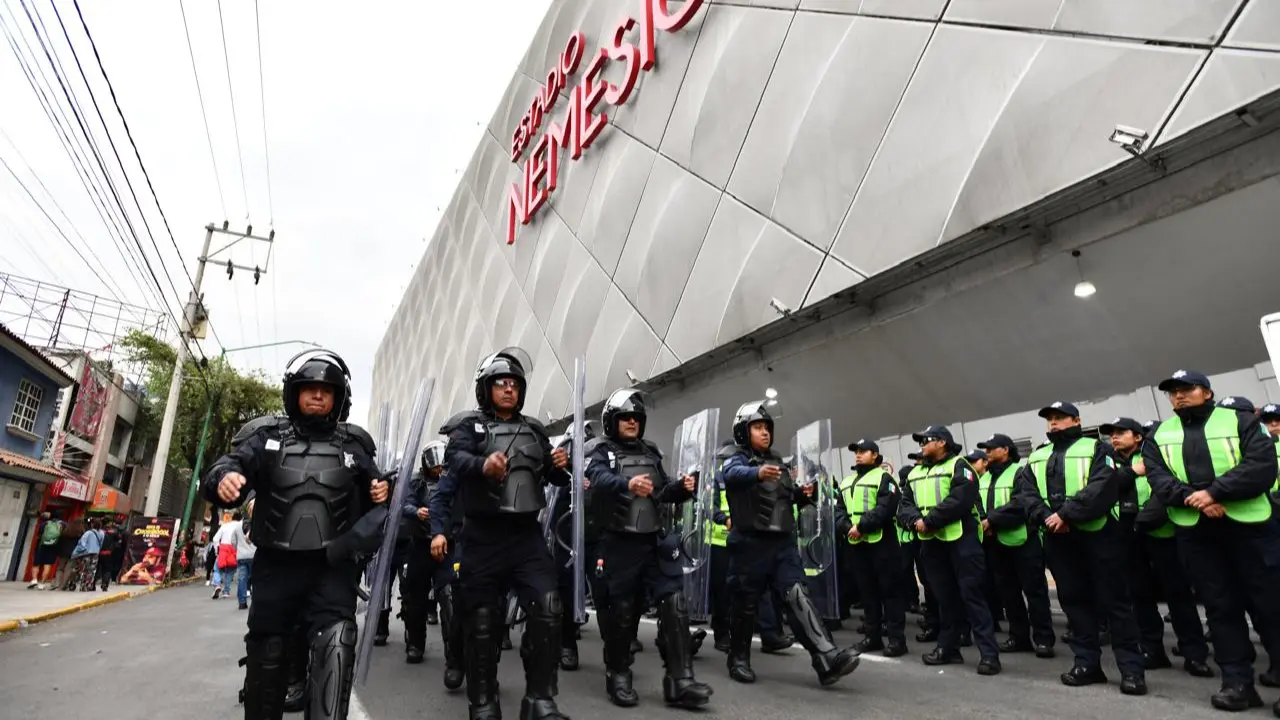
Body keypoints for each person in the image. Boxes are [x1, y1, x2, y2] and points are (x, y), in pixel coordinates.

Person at [202, 348, 388, 720]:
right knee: (268, 652)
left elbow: (380, 503)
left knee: (336, 646)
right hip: (276, 566)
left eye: (326, 390)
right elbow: (227, 465)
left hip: (333, 568)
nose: (318, 395)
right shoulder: (265, 438)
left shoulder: (356, 446)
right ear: (294, 393)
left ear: (339, 398)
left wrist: (381, 491)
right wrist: (224, 479)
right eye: (309, 388)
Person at [439, 347, 570, 720]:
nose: (509, 390)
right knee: (481, 620)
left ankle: (540, 701)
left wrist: (559, 464)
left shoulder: (534, 430)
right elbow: (455, 460)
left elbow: (552, 476)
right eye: (501, 384)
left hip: (526, 537)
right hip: (481, 536)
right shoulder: (469, 426)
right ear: (486, 389)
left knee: (548, 607)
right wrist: (484, 465)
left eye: (514, 384)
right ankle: (483, 702)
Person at [1143, 370, 1280, 712]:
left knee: (1271, 606)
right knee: (1220, 609)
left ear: (1206, 392)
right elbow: (1160, 481)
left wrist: (1215, 492)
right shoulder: (1159, 435)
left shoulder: (1242, 422)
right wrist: (1198, 499)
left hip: (1250, 528)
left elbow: (1262, 467)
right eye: (1173, 392)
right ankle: (1238, 684)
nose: (1179, 396)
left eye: (1187, 389)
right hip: (1197, 533)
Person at [584, 389, 713, 708]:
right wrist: (626, 484)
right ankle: (618, 676)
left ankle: (680, 680)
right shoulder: (601, 451)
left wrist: (681, 488)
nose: (631, 422)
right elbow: (597, 478)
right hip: (617, 543)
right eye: (625, 417)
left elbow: (663, 491)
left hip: (654, 541)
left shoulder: (651, 451)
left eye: (636, 418)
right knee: (622, 612)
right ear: (613, 421)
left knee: (674, 603)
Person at [720, 400, 859, 686]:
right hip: (749, 543)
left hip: (781, 544)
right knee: (745, 604)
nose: (765, 432)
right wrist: (755, 473)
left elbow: (785, 496)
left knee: (797, 595)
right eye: (757, 427)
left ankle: (826, 657)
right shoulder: (735, 457)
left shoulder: (776, 461)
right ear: (743, 431)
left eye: (767, 427)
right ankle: (738, 659)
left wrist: (803, 493)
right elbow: (731, 475)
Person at [1015, 401, 1145, 695]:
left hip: (1099, 535)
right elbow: (1025, 494)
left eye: (1060, 418)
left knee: (1116, 603)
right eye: (1050, 420)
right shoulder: (1037, 457)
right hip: (1059, 539)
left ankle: (1131, 670)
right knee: (1074, 602)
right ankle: (1087, 664)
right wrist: (1047, 518)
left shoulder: (1098, 449)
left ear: (1076, 420)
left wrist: (1066, 514)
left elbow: (1104, 486)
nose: (1054, 424)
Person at [1101, 417, 1211, 677]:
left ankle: (1194, 654)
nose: (1114, 437)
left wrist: (1145, 520)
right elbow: (1103, 487)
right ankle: (1152, 649)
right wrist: (1130, 472)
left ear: (1138, 436)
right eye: (1111, 434)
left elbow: (1164, 492)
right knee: (1140, 597)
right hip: (1127, 538)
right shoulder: (1107, 461)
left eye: (1121, 433)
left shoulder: (1156, 454)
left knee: (1179, 596)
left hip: (1162, 534)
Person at [898, 425, 1000, 675]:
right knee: (945, 598)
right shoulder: (915, 474)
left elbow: (961, 499)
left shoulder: (959, 466)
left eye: (926, 440)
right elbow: (905, 505)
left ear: (942, 442)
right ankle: (948, 647)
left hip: (961, 541)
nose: (922, 444)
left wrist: (929, 521)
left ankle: (989, 655)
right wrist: (915, 522)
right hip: (933, 544)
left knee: (972, 596)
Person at [975, 433, 1055, 658]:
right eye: (985, 449)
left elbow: (1022, 504)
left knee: (1035, 591)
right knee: (1008, 593)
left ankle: (1043, 639)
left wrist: (992, 520)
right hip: (995, 543)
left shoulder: (1020, 472)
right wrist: (984, 521)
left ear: (1006, 450)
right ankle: (1019, 636)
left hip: (1023, 540)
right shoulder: (983, 479)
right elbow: (976, 505)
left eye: (991, 448)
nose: (987, 452)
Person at [835, 439, 907, 657]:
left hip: (882, 544)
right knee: (868, 593)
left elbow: (886, 508)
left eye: (863, 451)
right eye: (856, 451)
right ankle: (872, 637)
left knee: (890, 593)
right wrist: (848, 527)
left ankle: (896, 640)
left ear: (875, 455)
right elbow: (839, 511)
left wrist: (862, 526)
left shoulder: (885, 478)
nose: (858, 455)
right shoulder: (847, 482)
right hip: (857, 546)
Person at [401, 441, 447, 664]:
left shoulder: (453, 481)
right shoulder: (417, 483)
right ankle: (415, 643)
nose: (438, 466)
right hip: (421, 545)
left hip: (448, 545)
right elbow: (404, 503)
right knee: (415, 598)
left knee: (451, 596)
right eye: (434, 461)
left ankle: (455, 651)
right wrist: (416, 511)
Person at [28, 511, 64, 590]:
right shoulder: (63, 525)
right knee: (47, 564)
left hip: (42, 545)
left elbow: (39, 534)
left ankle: (34, 580)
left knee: (36, 563)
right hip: (53, 547)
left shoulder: (44, 524)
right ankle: (42, 583)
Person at [67, 518, 104, 591]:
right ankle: (85, 585)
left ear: (92, 524)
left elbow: (82, 543)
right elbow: (101, 544)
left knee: (79, 568)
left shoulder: (88, 533)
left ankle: (73, 584)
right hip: (95, 553)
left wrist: (80, 551)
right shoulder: (101, 533)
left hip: (86, 553)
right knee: (91, 570)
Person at [97, 518, 122, 591]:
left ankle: (93, 584)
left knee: (97, 568)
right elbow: (119, 540)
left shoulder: (99, 530)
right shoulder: (114, 531)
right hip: (108, 553)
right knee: (107, 569)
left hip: (98, 552)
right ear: (110, 522)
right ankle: (104, 584)